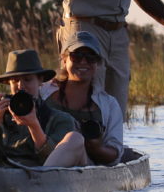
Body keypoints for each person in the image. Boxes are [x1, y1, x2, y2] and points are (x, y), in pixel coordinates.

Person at [0, 49, 86, 167]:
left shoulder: (59, 119)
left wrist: (34, 126)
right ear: (9, 84)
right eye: (15, 81)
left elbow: (56, 159)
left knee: (76, 138)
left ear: (40, 81)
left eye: (27, 80)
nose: (21, 86)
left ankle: (39, 184)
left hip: (41, 178)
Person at [41, 31, 124, 166]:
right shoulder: (43, 92)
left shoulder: (109, 104)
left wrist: (96, 148)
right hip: (41, 155)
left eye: (91, 57)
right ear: (64, 59)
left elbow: (115, 154)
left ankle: (41, 179)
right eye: (77, 56)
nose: (84, 61)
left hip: (84, 167)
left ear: (97, 63)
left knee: (74, 139)